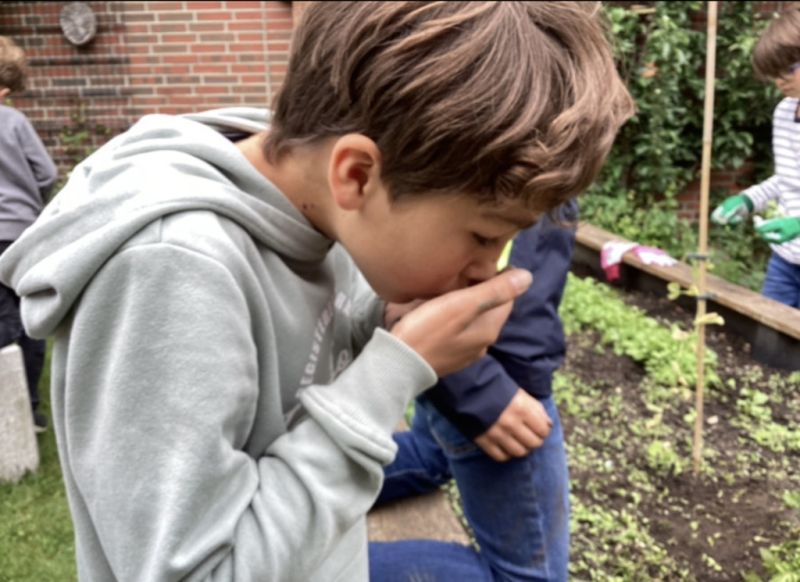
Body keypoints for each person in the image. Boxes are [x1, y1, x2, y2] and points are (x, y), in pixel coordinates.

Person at [0, 2, 633, 580]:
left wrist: (379, 320)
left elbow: (294, 385)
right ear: (356, 175)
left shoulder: (317, 212)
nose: (486, 272)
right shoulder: (171, 271)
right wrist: (389, 374)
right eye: (483, 236)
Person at [371, 201, 577, 582]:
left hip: (484, 369)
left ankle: (295, 509)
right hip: (495, 376)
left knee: (432, 456)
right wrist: (477, 389)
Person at [711, 6, 800, 308]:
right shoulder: (785, 113)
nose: (779, 81)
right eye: (774, 73)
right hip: (785, 261)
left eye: (788, 69)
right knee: (769, 334)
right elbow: (788, 179)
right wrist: (748, 201)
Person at [0, 35, 58, 432]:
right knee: (26, 316)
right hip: (18, 234)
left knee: (3, 318)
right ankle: (27, 410)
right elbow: (47, 173)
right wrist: (30, 203)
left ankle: (10, 411)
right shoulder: (14, 122)